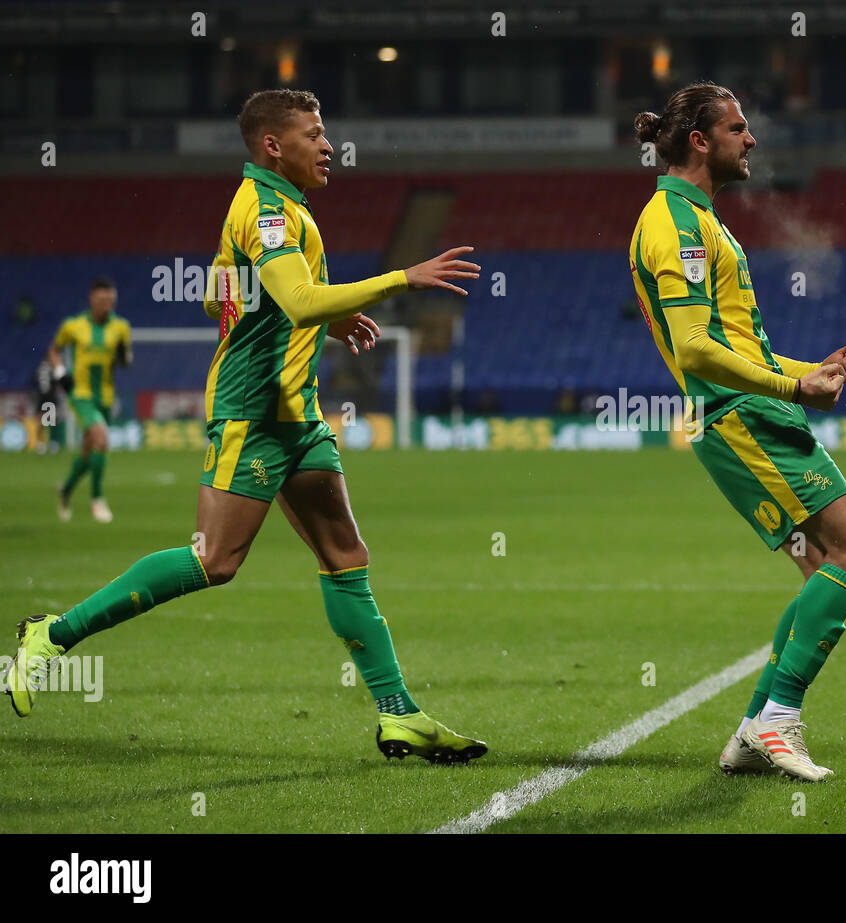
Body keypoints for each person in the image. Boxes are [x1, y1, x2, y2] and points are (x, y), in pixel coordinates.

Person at [5, 89, 487, 765]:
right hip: (253, 415)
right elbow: (294, 296)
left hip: (298, 416)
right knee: (214, 560)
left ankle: (398, 712)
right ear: (272, 145)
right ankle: (51, 633)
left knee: (345, 559)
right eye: (314, 134)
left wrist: (322, 314)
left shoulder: (278, 205)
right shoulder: (264, 208)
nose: (327, 145)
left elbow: (217, 295)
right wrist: (402, 277)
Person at [629, 82, 846, 781]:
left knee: (819, 569)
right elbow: (694, 350)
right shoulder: (674, 223)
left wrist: (812, 370)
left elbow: (740, 345)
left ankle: (752, 729)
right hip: (743, 419)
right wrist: (788, 386)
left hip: (751, 412)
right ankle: (778, 720)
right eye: (739, 127)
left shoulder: (703, 220)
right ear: (701, 141)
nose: (753, 139)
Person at [48, 277, 130, 522]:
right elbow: (54, 350)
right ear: (92, 299)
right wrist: (61, 372)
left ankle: (65, 491)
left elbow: (125, 361)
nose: (108, 304)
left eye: (111, 300)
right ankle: (97, 499)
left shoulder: (121, 328)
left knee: (88, 452)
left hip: (104, 397)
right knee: (102, 440)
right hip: (80, 395)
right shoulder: (73, 326)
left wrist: (124, 355)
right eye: (103, 299)